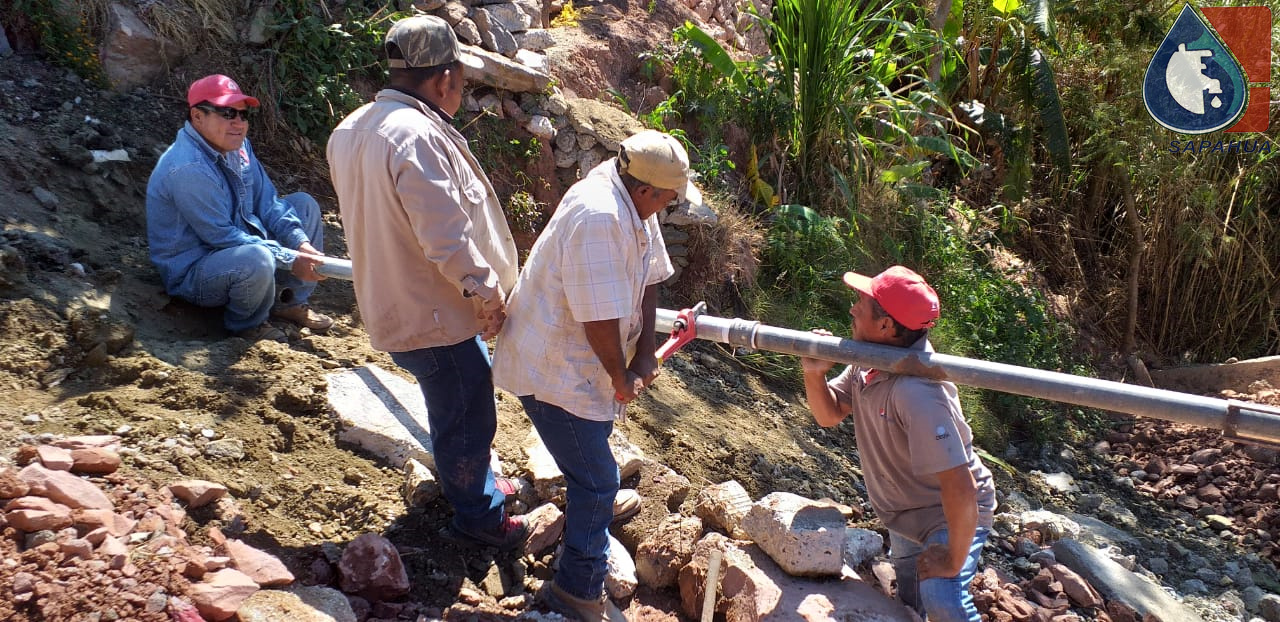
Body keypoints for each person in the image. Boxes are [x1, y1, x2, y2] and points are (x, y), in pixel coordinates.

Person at [326, 16, 526, 549]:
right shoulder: (414, 136)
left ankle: (474, 486)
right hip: (433, 313)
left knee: (455, 402)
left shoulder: (352, 127)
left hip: (392, 299)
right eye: (461, 79)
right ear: (444, 79)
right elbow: (447, 240)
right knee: (466, 410)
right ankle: (480, 519)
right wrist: (488, 294)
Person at [493, 130, 699, 621]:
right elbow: (598, 321)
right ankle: (576, 590)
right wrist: (620, 373)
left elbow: (649, 278)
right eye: (671, 196)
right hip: (553, 370)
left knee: (592, 462)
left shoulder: (632, 200)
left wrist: (646, 352)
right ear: (648, 190)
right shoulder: (600, 215)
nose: (673, 203)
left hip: (582, 369)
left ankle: (574, 549)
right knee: (600, 481)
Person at [800, 265, 996, 622]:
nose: (853, 309)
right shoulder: (871, 361)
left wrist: (953, 556)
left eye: (861, 303)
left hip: (945, 514)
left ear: (887, 326)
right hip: (903, 514)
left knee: (942, 598)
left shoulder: (917, 392)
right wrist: (815, 374)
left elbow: (960, 485)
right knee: (912, 607)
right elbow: (829, 414)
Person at [146, 74, 334, 342]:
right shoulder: (188, 168)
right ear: (197, 116)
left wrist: (301, 244)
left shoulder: (238, 146)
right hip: (196, 270)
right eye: (226, 112)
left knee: (304, 205)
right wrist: (291, 260)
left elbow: (268, 202)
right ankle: (248, 325)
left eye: (243, 115)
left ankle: (288, 302)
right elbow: (221, 237)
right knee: (256, 258)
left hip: (239, 250)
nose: (239, 123)